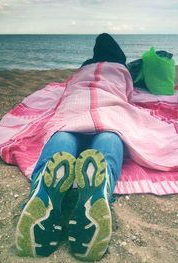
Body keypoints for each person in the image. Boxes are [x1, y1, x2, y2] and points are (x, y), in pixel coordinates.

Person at [15, 33, 127, 261]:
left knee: (64, 135)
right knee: (109, 136)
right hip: (109, 109)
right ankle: (102, 186)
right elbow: (127, 94)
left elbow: (67, 89)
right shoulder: (123, 72)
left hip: (74, 106)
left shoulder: (82, 70)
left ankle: (43, 188)